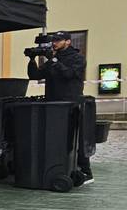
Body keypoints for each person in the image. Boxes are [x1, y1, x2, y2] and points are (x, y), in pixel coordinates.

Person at [27, 31, 92, 181]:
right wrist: (31, 59)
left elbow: (69, 74)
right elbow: (35, 75)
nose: (54, 43)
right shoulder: (52, 59)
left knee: (75, 137)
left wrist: (54, 60)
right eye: (53, 40)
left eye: (58, 40)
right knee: (55, 138)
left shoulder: (77, 58)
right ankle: (58, 167)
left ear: (68, 42)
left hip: (71, 104)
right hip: (52, 104)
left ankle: (85, 170)